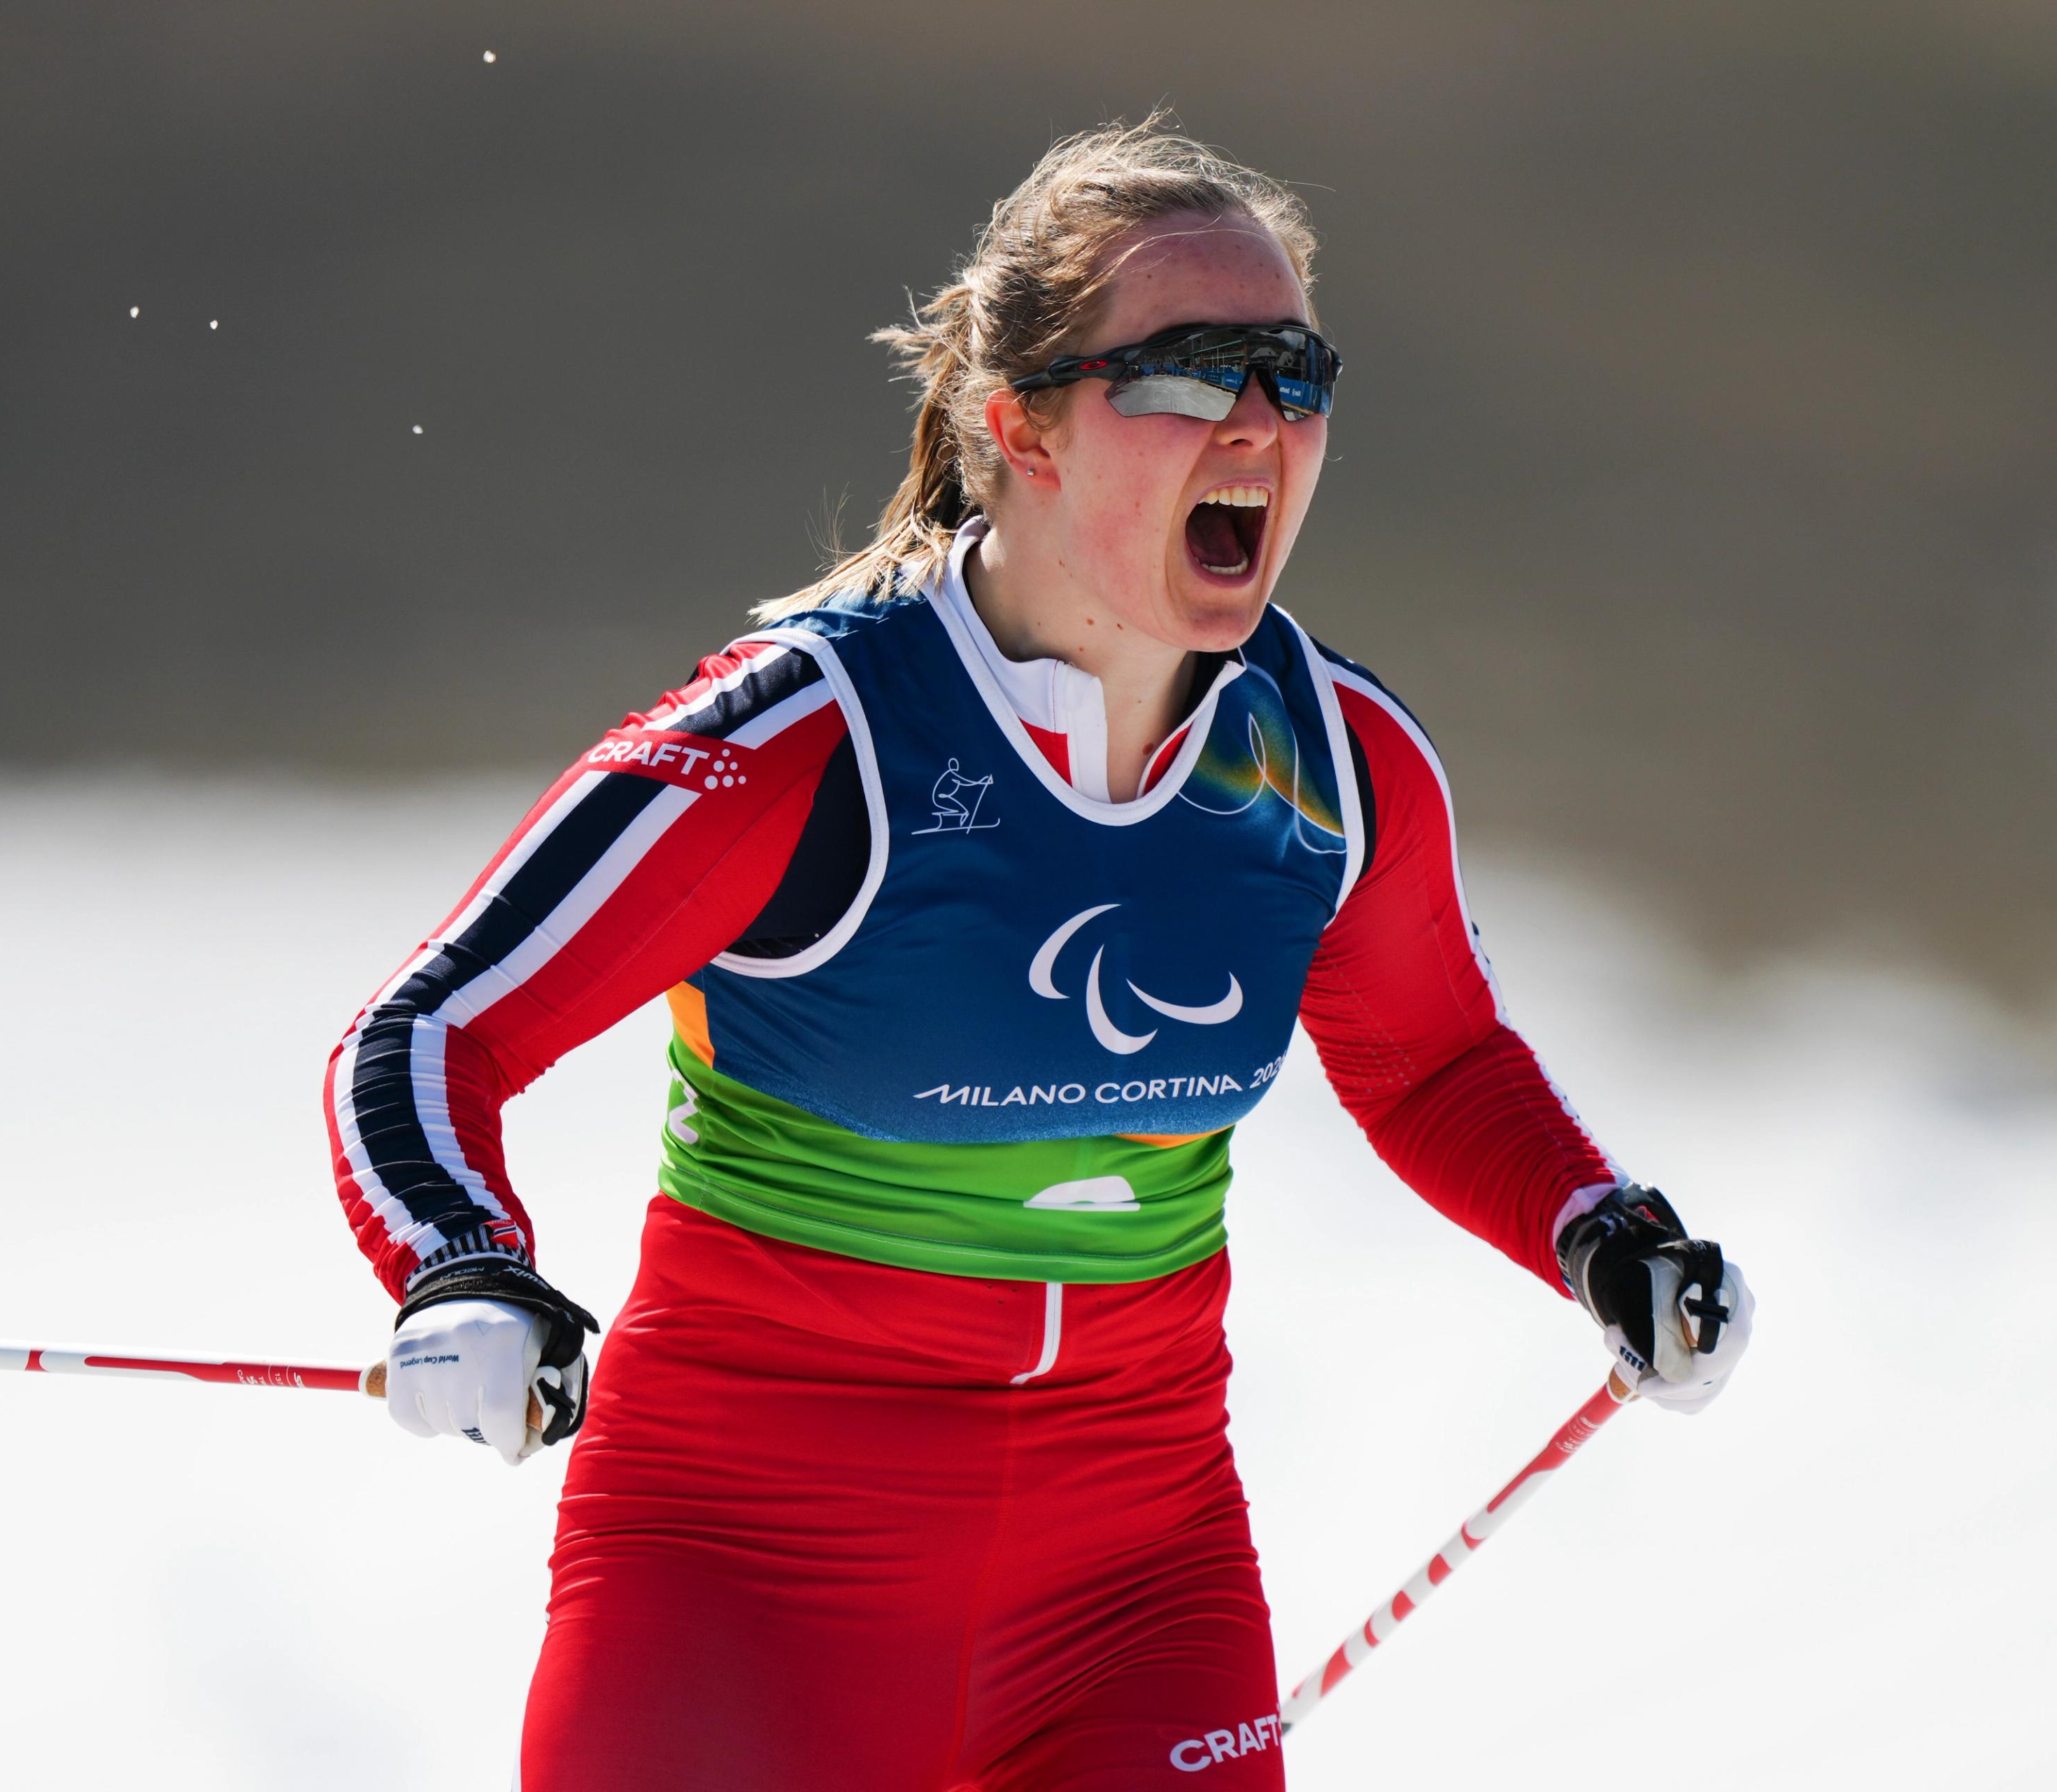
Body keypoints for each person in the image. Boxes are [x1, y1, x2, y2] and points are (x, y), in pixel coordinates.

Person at [326, 115, 1752, 1791]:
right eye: (1186, 372)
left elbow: (1431, 1057)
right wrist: (464, 1267)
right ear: (1021, 428)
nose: (1257, 421)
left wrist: (1608, 1238)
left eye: (1297, 375)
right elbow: (431, 1031)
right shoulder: (808, 739)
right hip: (742, 1581)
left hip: (1137, 1592)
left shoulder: (1335, 765)